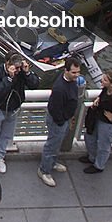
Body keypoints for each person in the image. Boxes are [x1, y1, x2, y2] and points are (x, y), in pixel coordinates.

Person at [0, 52, 38, 173]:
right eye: (16, 68)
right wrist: (9, 78)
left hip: (12, 110)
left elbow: (34, 85)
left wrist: (27, 73)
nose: (18, 70)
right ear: (8, 63)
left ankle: (0, 157)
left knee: (5, 135)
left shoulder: (21, 72)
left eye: (19, 68)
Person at [38, 57, 84, 187]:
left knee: (56, 144)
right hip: (58, 121)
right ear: (66, 71)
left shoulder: (70, 81)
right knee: (52, 145)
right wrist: (61, 121)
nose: (77, 75)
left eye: (78, 72)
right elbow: (54, 109)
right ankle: (44, 170)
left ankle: (52, 163)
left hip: (64, 118)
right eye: (74, 72)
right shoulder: (59, 89)